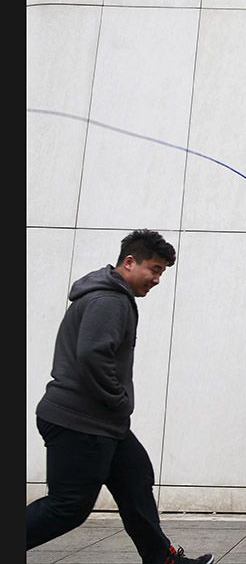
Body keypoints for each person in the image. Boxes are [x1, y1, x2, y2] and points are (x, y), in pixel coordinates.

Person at [26, 229, 213, 564]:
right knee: (68, 507)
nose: (157, 279)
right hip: (80, 420)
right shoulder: (110, 299)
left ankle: (161, 558)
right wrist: (118, 399)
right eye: (154, 269)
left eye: (162, 272)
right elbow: (93, 355)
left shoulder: (109, 294)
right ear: (129, 262)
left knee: (135, 478)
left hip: (102, 421)